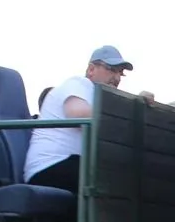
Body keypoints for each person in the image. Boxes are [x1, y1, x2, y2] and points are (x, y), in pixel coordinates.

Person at [23, 46, 153, 192]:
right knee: (111, 176)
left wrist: (139, 104)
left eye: (120, 73)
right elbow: (78, 115)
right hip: (48, 167)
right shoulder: (79, 83)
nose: (117, 78)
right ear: (91, 69)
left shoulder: (98, 99)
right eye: (111, 69)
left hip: (70, 165)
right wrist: (129, 108)